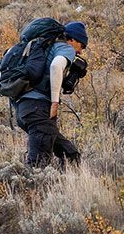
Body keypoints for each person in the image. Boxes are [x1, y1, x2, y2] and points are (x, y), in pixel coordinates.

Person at [14, 20, 86, 169]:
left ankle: (68, 180)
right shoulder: (65, 48)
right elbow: (56, 66)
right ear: (72, 39)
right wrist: (55, 102)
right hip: (39, 109)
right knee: (38, 165)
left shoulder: (42, 48)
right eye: (82, 46)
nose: (80, 51)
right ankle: (32, 183)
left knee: (70, 154)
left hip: (24, 111)